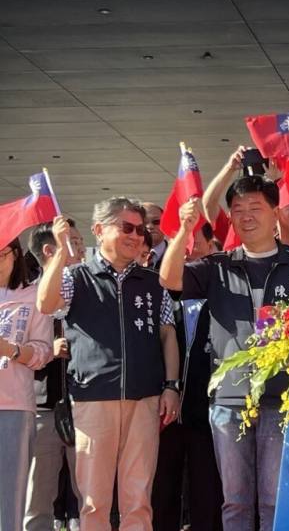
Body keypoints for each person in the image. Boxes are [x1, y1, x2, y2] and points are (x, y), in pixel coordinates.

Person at [160, 176, 289, 531]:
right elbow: (170, 279)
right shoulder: (219, 265)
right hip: (230, 398)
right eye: (238, 210)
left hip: (283, 397)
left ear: (275, 213)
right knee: (234, 500)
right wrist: (184, 229)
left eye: (256, 208)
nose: (246, 216)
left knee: (273, 499)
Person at [37, 202, 180, 531]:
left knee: (139, 497)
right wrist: (60, 252)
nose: (135, 235)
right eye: (126, 227)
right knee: (93, 500)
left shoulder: (152, 281)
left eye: (139, 229)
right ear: (99, 230)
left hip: (145, 400)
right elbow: (45, 304)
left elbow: (168, 335)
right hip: (93, 399)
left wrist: (171, 386)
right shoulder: (76, 277)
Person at [151, 222, 223, 531]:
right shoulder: (156, 292)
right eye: (180, 241)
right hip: (163, 411)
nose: (188, 248)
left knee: (206, 492)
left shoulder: (223, 291)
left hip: (206, 411)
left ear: (211, 246)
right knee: (161, 490)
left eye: (195, 240)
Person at [25, 221, 84, 531]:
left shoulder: (89, 286)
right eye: (72, 240)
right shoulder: (25, 295)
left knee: (91, 494)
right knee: (38, 495)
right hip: (43, 408)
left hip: (86, 405)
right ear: (50, 250)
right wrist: (49, 348)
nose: (82, 247)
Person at [0, 238, 52, 531]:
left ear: (15, 254)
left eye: (1, 253)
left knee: (10, 493)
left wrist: (10, 350)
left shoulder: (33, 296)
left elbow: (43, 352)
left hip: (14, 406)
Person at [142, 203, 167, 269]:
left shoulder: (180, 258)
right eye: (144, 222)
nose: (150, 226)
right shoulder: (124, 257)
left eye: (156, 221)